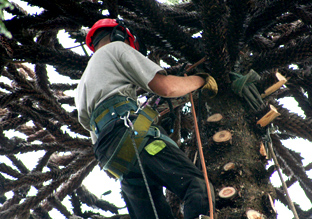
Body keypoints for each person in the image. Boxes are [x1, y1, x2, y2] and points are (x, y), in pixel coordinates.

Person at [75, 18, 218, 219]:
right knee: (196, 186)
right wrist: (201, 79)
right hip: (131, 138)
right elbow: (167, 87)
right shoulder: (116, 48)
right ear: (119, 35)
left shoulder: (83, 85)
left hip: (114, 161)